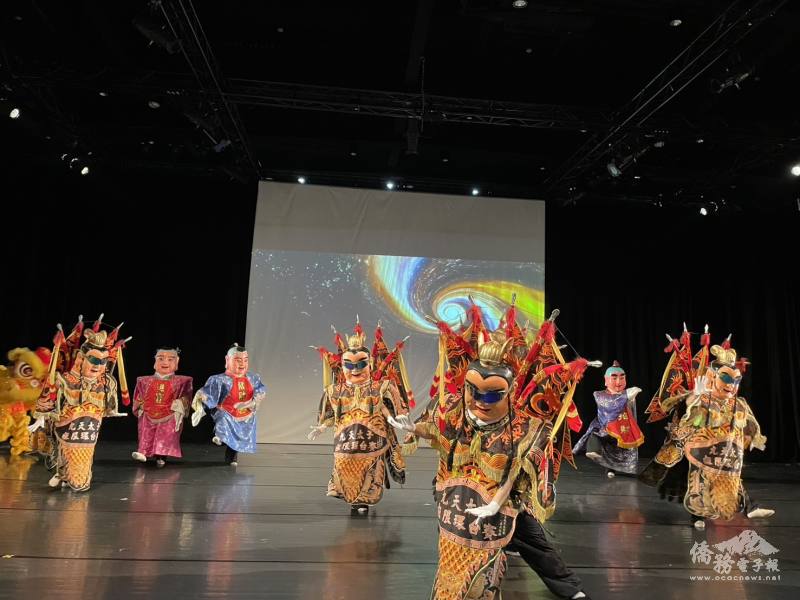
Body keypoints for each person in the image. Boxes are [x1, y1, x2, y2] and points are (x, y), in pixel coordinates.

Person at [392, 304, 597, 599]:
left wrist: (494, 505)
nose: (480, 401)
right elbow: (437, 432)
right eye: (473, 391)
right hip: (457, 493)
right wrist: (413, 428)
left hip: (500, 498)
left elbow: (514, 471)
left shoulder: (522, 428)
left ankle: (568, 587)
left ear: (509, 393)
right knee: (453, 539)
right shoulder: (455, 410)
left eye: (491, 395)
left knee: (532, 542)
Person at [640, 325, 773, 529]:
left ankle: (749, 506)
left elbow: (748, 421)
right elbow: (690, 415)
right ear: (712, 377)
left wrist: (753, 436)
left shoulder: (737, 402)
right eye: (726, 378)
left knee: (730, 478)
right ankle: (699, 517)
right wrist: (696, 396)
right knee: (699, 483)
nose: (731, 385)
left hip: (727, 450)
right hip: (701, 448)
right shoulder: (702, 398)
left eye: (736, 380)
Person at [308, 319, 415, 514]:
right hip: (346, 440)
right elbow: (331, 415)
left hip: (372, 439)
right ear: (342, 365)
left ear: (370, 363)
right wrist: (322, 427)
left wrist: (394, 421)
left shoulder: (380, 387)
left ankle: (362, 501)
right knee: (343, 465)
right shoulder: (335, 390)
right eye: (349, 365)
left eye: (361, 364)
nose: (355, 369)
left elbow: (385, 410)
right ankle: (348, 495)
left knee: (371, 471)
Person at [31, 315, 131, 491]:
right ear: (81, 358)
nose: (98, 365)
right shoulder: (66, 380)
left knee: (83, 460)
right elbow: (49, 398)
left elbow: (109, 405)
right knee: (64, 450)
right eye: (94, 360)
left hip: (89, 429)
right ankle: (62, 473)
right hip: (67, 424)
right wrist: (42, 417)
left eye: (103, 361)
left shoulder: (106, 382)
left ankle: (74, 478)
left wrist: (111, 410)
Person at [191, 344, 265, 466]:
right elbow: (210, 394)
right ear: (227, 360)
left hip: (245, 413)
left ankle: (232, 457)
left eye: (245, 360)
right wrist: (201, 403)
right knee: (223, 417)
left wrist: (253, 401)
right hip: (226, 410)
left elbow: (260, 390)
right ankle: (220, 435)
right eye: (238, 360)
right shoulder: (219, 379)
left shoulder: (253, 378)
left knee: (239, 436)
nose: (242, 364)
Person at [573, 361, 644, 477]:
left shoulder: (628, 394)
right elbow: (610, 405)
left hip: (623, 429)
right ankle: (595, 452)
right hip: (605, 427)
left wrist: (629, 398)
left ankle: (613, 469)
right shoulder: (599, 394)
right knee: (597, 437)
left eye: (622, 378)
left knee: (621, 448)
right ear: (606, 381)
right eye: (614, 378)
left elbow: (631, 412)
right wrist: (626, 395)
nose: (618, 382)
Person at [131, 347, 193, 467]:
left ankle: (161, 457)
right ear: (155, 361)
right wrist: (140, 405)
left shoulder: (183, 381)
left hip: (169, 413)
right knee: (146, 433)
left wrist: (180, 403)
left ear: (177, 361)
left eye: (170, 359)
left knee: (164, 435)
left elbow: (187, 396)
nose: (165, 362)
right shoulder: (143, 380)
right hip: (149, 411)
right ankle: (143, 453)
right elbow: (138, 396)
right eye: (161, 359)